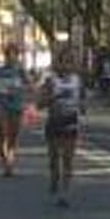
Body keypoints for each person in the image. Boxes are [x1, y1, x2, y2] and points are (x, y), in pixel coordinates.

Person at [39, 54, 85, 207]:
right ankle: (54, 177)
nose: (66, 66)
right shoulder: (51, 81)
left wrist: (81, 106)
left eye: (69, 63)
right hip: (54, 122)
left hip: (71, 122)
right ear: (57, 64)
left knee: (68, 159)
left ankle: (65, 193)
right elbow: (40, 104)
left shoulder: (77, 81)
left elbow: (82, 101)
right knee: (54, 159)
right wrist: (52, 97)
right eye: (63, 63)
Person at [0, 42, 30, 176]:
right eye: (9, 55)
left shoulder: (20, 71)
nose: (11, 58)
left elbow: (29, 85)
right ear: (5, 56)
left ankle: (10, 160)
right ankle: (6, 162)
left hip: (17, 106)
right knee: (3, 134)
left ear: (17, 56)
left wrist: (28, 92)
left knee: (13, 136)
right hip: (1, 105)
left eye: (14, 55)